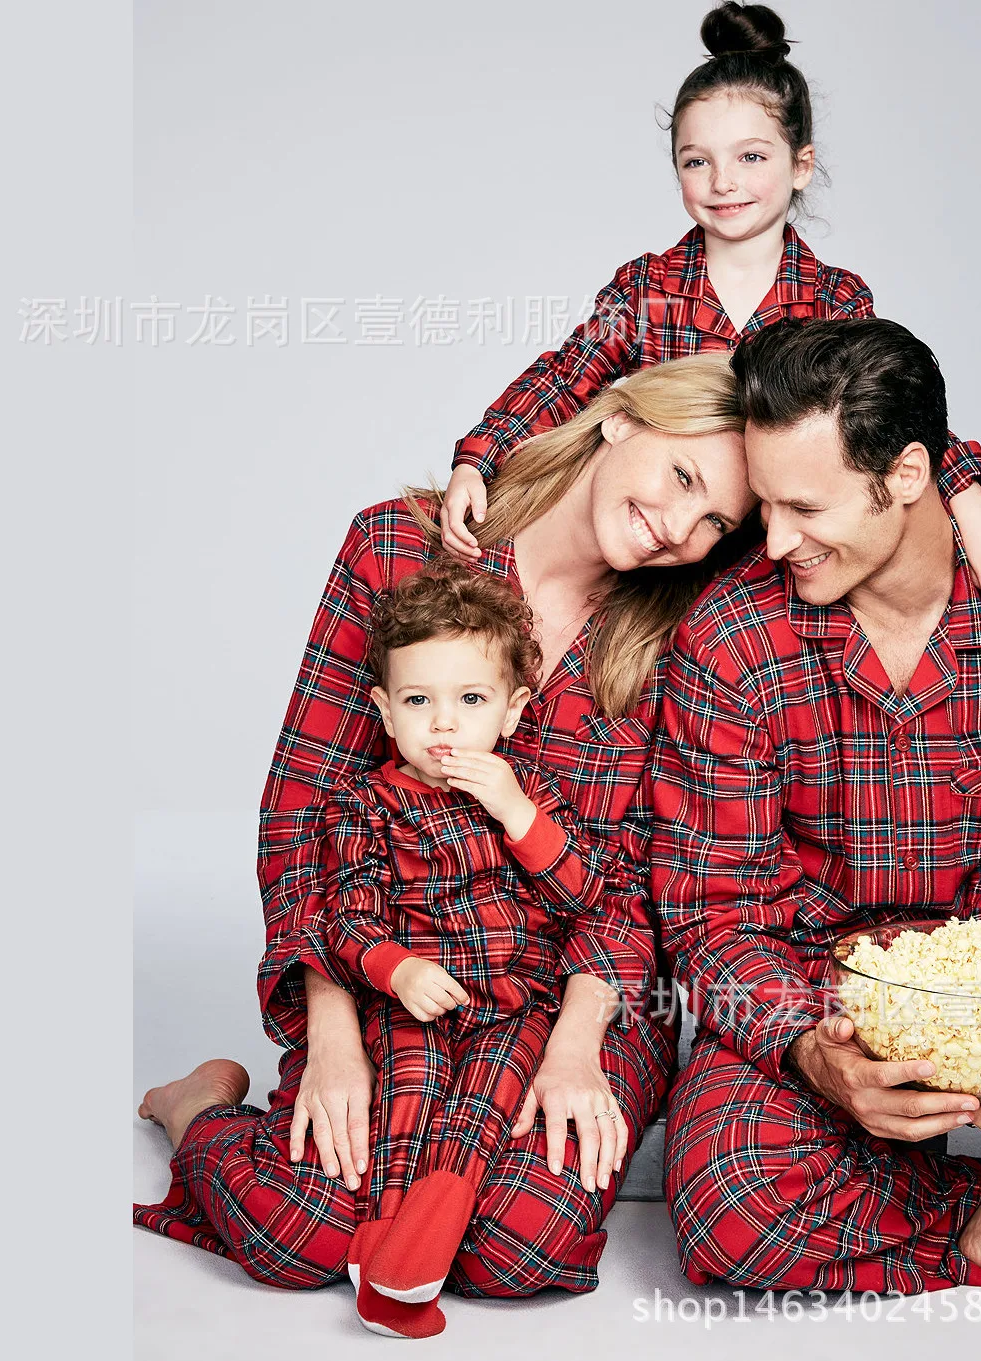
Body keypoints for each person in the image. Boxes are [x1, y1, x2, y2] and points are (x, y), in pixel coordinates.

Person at [134, 352, 760, 1303]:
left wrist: (575, 1045)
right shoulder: (396, 547)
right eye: (682, 476)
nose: (678, 526)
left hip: (573, 988)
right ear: (621, 419)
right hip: (386, 968)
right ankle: (194, 1108)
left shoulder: (680, 639)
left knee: (516, 1248)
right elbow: (305, 808)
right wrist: (333, 1028)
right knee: (302, 1232)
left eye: (714, 521)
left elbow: (632, 886)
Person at [648, 317, 981, 1342]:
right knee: (731, 1205)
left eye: (804, 507)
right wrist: (810, 1051)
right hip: (820, 989)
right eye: (765, 503)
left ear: (909, 473)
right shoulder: (729, 639)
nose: (773, 540)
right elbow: (712, 915)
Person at [438, 2, 981, 617]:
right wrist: (477, 461)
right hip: (662, 562)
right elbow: (567, 376)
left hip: (772, 563)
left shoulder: (833, 298)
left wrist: (974, 509)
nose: (722, 181)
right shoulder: (649, 286)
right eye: (697, 161)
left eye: (750, 157)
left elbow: (896, 416)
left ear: (801, 165)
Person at [318, 561, 613, 1336]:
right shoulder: (364, 806)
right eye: (419, 701)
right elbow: (346, 918)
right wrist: (398, 967)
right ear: (384, 711)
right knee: (409, 1095)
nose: (443, 725)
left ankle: (432, 1227)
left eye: (471, 700)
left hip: (516, 1004)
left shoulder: (527, 792)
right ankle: (383, 1236)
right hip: (414, 1001)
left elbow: (584, 893)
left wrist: (516, 812)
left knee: (482, 1104)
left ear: (512, 712)